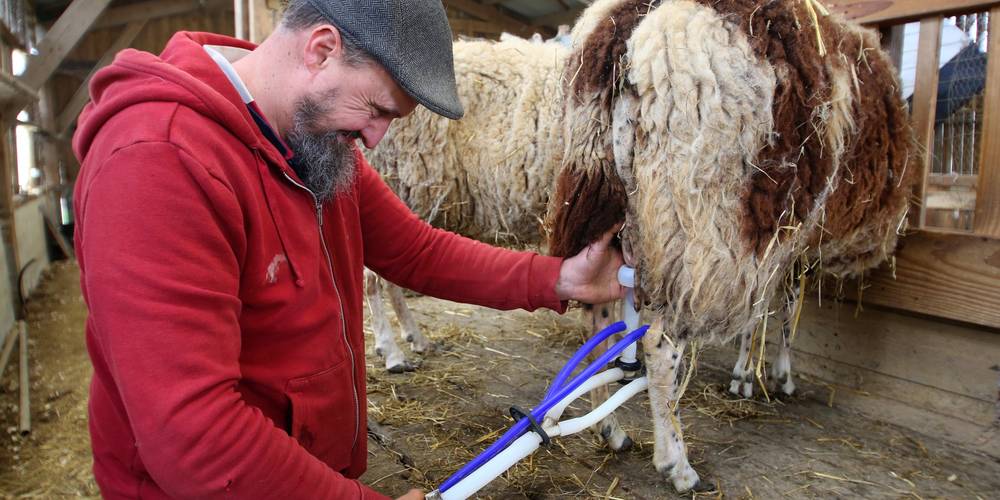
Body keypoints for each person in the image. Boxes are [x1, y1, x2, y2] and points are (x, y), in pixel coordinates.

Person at [72, 0, 624, 499]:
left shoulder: (308, 140)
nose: (378, 137)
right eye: (378, 109)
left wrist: (559, 279)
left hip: (297, 475)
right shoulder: (157, 164)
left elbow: (415, 251)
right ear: (321, 49)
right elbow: (196, 437)